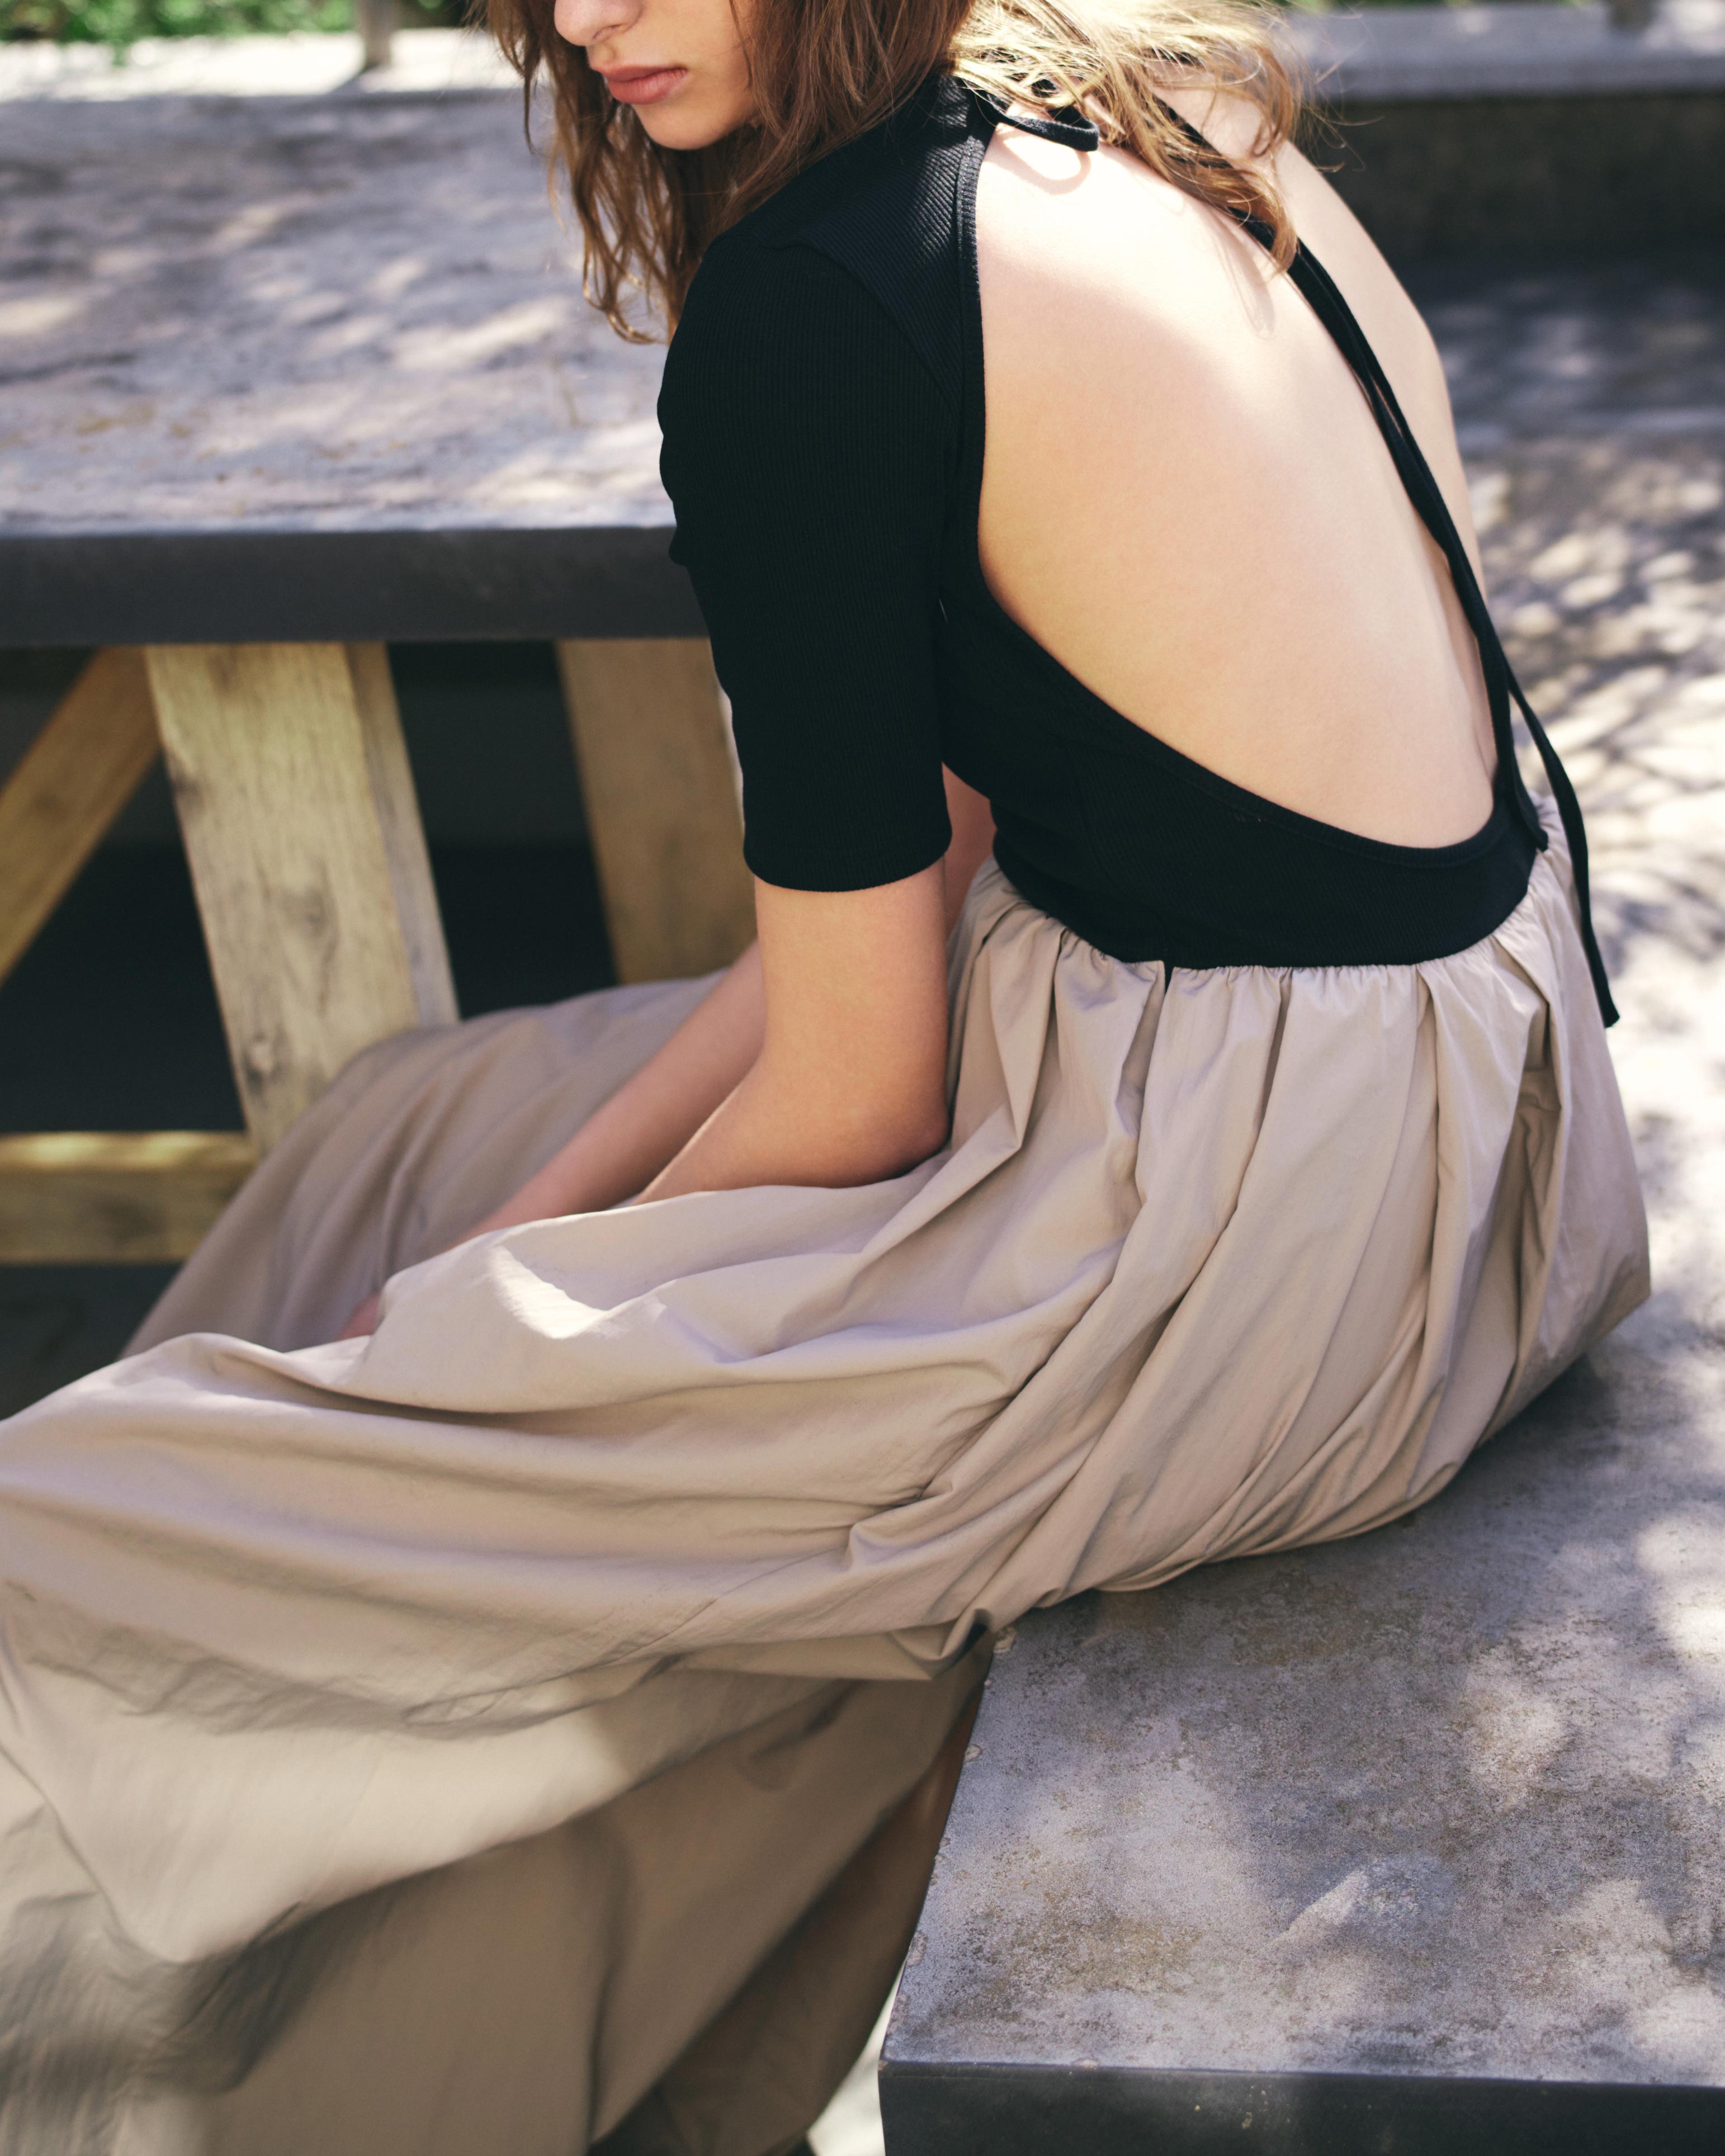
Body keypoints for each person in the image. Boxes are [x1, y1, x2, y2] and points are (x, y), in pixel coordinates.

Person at [0, 1, 1648, 2150]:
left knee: (73, 1539)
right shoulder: (1155, 91)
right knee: (408, 1136)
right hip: (1476, 1130)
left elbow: (860, 1099)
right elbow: (953, 834)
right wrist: (511, 1240)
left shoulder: (825, 304)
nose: (582, 20)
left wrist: (464, 1334)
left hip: (1237, 1254)